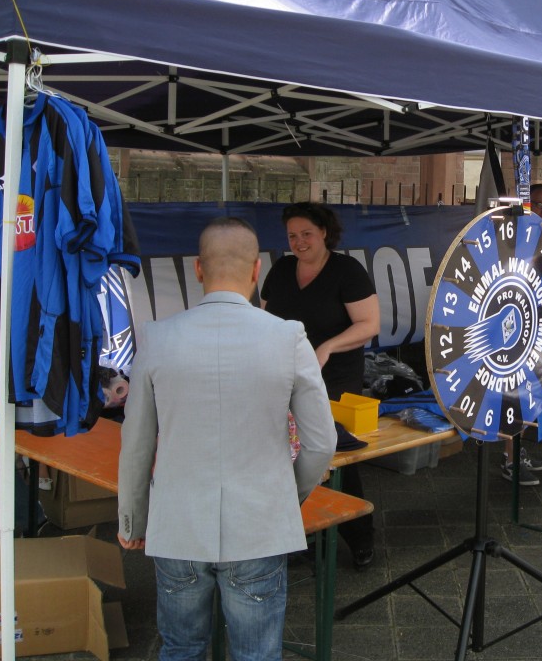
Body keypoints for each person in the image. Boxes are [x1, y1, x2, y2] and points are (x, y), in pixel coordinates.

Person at [117, 217, 337, 661]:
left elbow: (137, 442)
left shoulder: (157, 338)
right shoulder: (289, 336)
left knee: (180, 650)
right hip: (259, 525)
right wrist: (285, 498)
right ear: (257, 270)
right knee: (256, 654)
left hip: (178, 524)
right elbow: (320, 443)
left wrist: (132, 520)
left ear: (198, 268)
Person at [260, 202, 381, 566]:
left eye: (306, 234)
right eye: (292, 236)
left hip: (335, 380)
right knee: (287, 453)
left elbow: (369, 324)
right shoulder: (281, 269)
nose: (299, 242)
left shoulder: (347, 271)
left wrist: (326, 347)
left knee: (333, 456)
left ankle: (359, 534)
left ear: (324, 232)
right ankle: (304, 533)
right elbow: (264, 318)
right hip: (284, 377)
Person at [500, 184, 542, 486]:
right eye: (540, 206)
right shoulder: (511, 237)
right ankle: (511, 458)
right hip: (510, 331)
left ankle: (516, 451)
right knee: (513, 396)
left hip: (533, 326)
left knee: (526, 394)